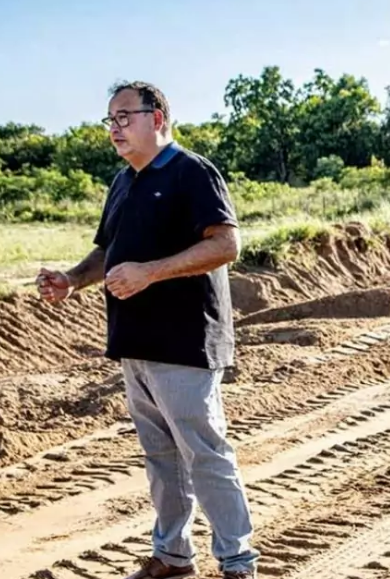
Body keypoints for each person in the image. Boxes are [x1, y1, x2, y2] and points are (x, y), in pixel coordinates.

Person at [36, 81, 259, 579]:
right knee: (161, 458)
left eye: (124, 117)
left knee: (204, 454)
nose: (114, 128)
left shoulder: (192, 173)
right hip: (135, 341)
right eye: (109, 119)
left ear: (157, 118)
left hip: (185, 341)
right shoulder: (123, 182)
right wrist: (72, 280)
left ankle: (238, 562)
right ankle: (174, 556)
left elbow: (225, 246)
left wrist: (151, 271)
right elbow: (107, 252)